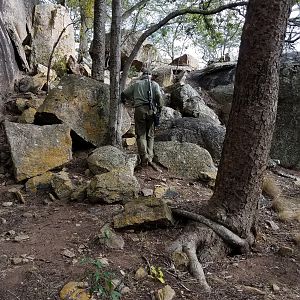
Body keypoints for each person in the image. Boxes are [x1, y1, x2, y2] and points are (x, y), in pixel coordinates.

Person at [121, 68, 163, 168]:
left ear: (142, 75)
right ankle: (150, 157)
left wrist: (127, 102)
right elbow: (159, 97)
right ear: (150, 76)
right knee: (150, 135)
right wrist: (159, 109)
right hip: (151, 110)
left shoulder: (137, 84)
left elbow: (124, 94)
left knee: (141, 134)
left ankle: (144, 157)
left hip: (139, 110)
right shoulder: (154, 84)